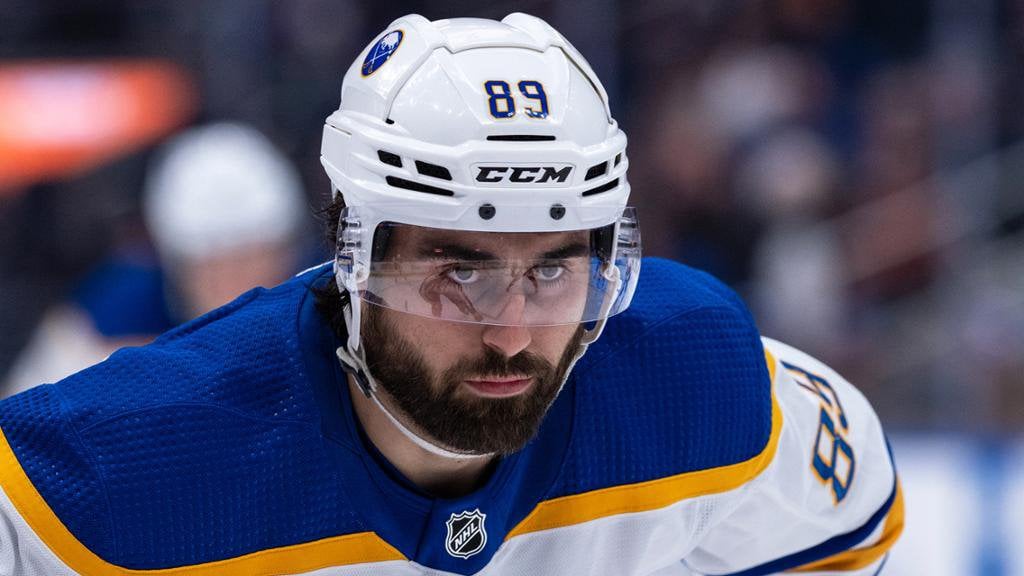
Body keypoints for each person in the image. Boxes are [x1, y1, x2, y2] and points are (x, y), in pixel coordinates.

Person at [0, 13, 902, 575]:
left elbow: (850, 529)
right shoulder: (124, 456)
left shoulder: (694, 375)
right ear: (352, 255)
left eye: (553, 269)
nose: (512, 334)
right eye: (458, 273)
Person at [1, 122, 309, 398]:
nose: (235, 287)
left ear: (288, 254)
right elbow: (26, 413)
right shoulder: (113, 315)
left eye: (251, 259)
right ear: (174, 265)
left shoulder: (319, 301)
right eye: (211, 269)